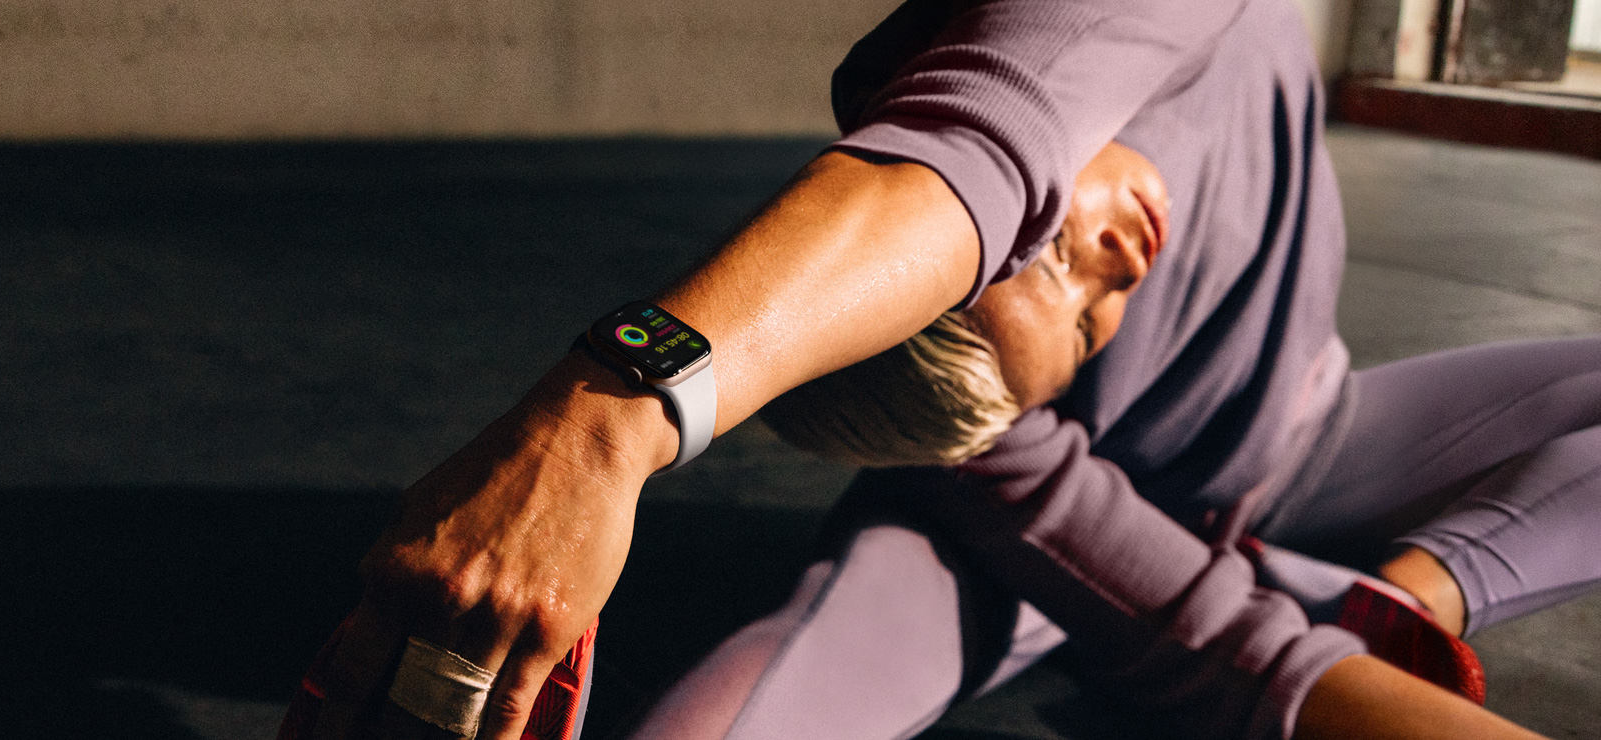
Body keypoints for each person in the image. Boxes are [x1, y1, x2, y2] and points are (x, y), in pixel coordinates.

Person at [299, 0, 1601, 738]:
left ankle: (1395, 584)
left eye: (1046, 262)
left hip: (1317, 431)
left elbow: (977, 140)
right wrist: (1276, 656)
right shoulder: (976, 420)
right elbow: (1227, 650)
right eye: (1083, 323)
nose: (1116, 263)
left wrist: (599, 425)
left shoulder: (1024, 54)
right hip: (1041, 511)